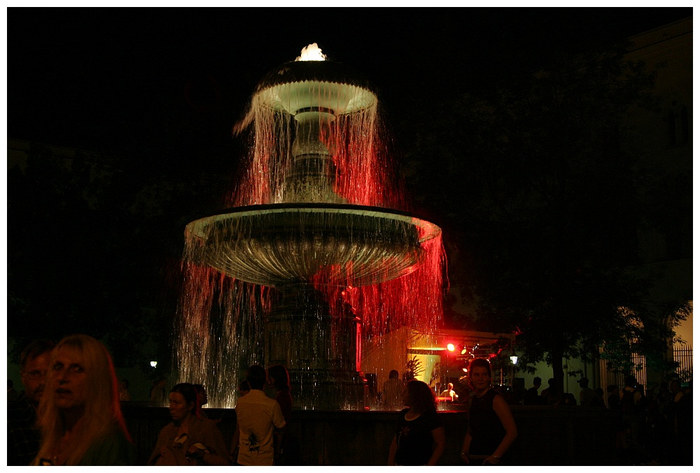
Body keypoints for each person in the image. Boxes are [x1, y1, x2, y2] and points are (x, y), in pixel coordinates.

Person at [32, 334, 136, 465]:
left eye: (77, 369)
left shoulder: (109, 446)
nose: (62, 377)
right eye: (58, 367)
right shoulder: (53, 436)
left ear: (97, 380)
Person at [148, 382, 230, 465]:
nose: (171, 407)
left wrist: (203, 455)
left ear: (190, 405)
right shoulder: (167, 431)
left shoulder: (206, 428)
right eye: (171, 402)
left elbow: (224, 462)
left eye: (176, 403)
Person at [460, 358, 518, 465]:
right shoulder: (473, 400)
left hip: (490, 457)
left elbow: (512, 432)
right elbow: (471, 430)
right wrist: (464, 452)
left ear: (489, 377)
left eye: (484, 375)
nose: (480, 378)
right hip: (474, 457)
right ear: (471, 377)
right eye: (477, 375)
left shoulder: (496, 400)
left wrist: (495, 456)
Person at [8, 339, 54, 465]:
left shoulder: (71, 417)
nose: (43, 382)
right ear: (23, 377)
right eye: (35, 373)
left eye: (49, 374)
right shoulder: (9, 419)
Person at [232, 365, 287, 465]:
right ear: (264, 382)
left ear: (248, 382)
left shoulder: (240, 403)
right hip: (264, 459)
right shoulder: (272, 405)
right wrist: (278, 450)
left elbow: (238, 429)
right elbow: (281, 428)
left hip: (244, 458)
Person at [387, 380, 446, 465]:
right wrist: (390, 463)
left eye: (405, 392)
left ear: (414, 395)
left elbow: (440, 443)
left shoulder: (430, 417)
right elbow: (396, 440)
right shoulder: (403, 414)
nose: (402, 394)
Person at [268, 364, 298, 465]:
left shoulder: (282, 397)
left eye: (270, 377)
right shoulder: (283, 395)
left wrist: (277, 448)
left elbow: (281, 423)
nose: (268, 381)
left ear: (276, 379)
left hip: (281, 440)